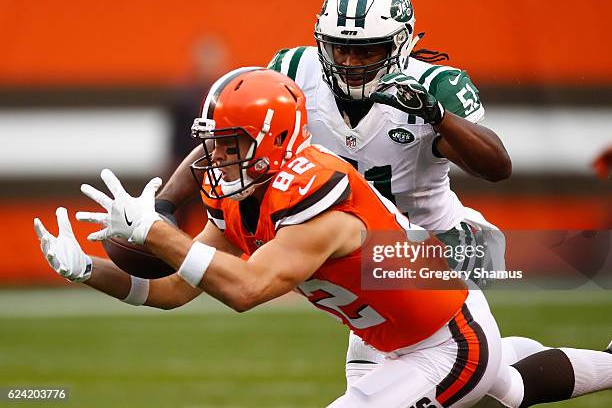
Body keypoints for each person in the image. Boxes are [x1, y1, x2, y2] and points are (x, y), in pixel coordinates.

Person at [34, 69, 612, 407]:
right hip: (384, 334)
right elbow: (174, 292)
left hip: (446, 337)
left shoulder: (319, 199)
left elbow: (247, 288)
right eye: (213, 142)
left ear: (272, 140)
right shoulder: (241, 194)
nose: (215, 157)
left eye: (230, 143)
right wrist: (88, 271)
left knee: (486, 383)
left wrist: (160, 234)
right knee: (505, 391)